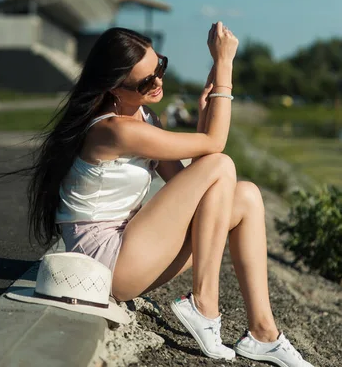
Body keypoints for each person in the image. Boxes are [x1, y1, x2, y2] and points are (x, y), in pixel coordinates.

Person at [27, 23, 314, 366]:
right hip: (108, 264)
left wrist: (205, 116)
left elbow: (191, 183)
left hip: (132, 248)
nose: (159, 82)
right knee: (222, 165)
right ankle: (203, 304)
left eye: (159, 67)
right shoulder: (113, 130)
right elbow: (216, 149)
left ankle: (263, 332)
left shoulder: (144, 117)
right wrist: (224, 65)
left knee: (247, 196)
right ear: (115, 88)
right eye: (147, 81)